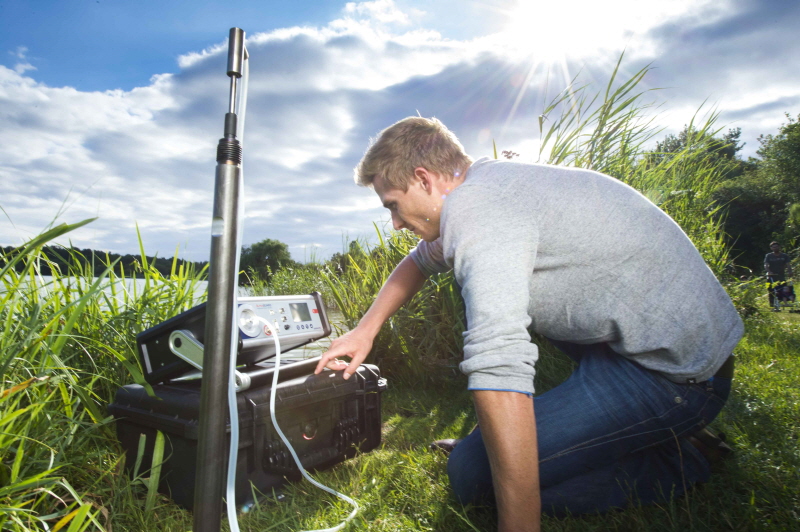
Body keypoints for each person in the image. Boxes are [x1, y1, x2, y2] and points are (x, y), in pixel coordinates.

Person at [315, 117, 744, 532]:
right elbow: (418, 262)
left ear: (424, 179)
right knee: (489, 449)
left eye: (392, 204)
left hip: (676, 377)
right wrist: (364, 331)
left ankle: (679, 459)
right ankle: (632, 434)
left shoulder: (479, 212)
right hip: (643, 346)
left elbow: (498, 363)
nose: (394, 222)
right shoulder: (486, 184)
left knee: (472, 475)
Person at [764, 242, 794, 308]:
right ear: (771, 248)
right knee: (771, 290)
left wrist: (790, 271)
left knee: (783, 289)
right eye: (774, 247)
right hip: (771, 276)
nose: (775, 248)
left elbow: (788, 264)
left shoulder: (784, 256)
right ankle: (772, 304)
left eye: (777, 247)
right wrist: (769, 271)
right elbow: (766, 265)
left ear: (779, 247)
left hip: (781, 276)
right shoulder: (768, 256)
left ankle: (782, 302)